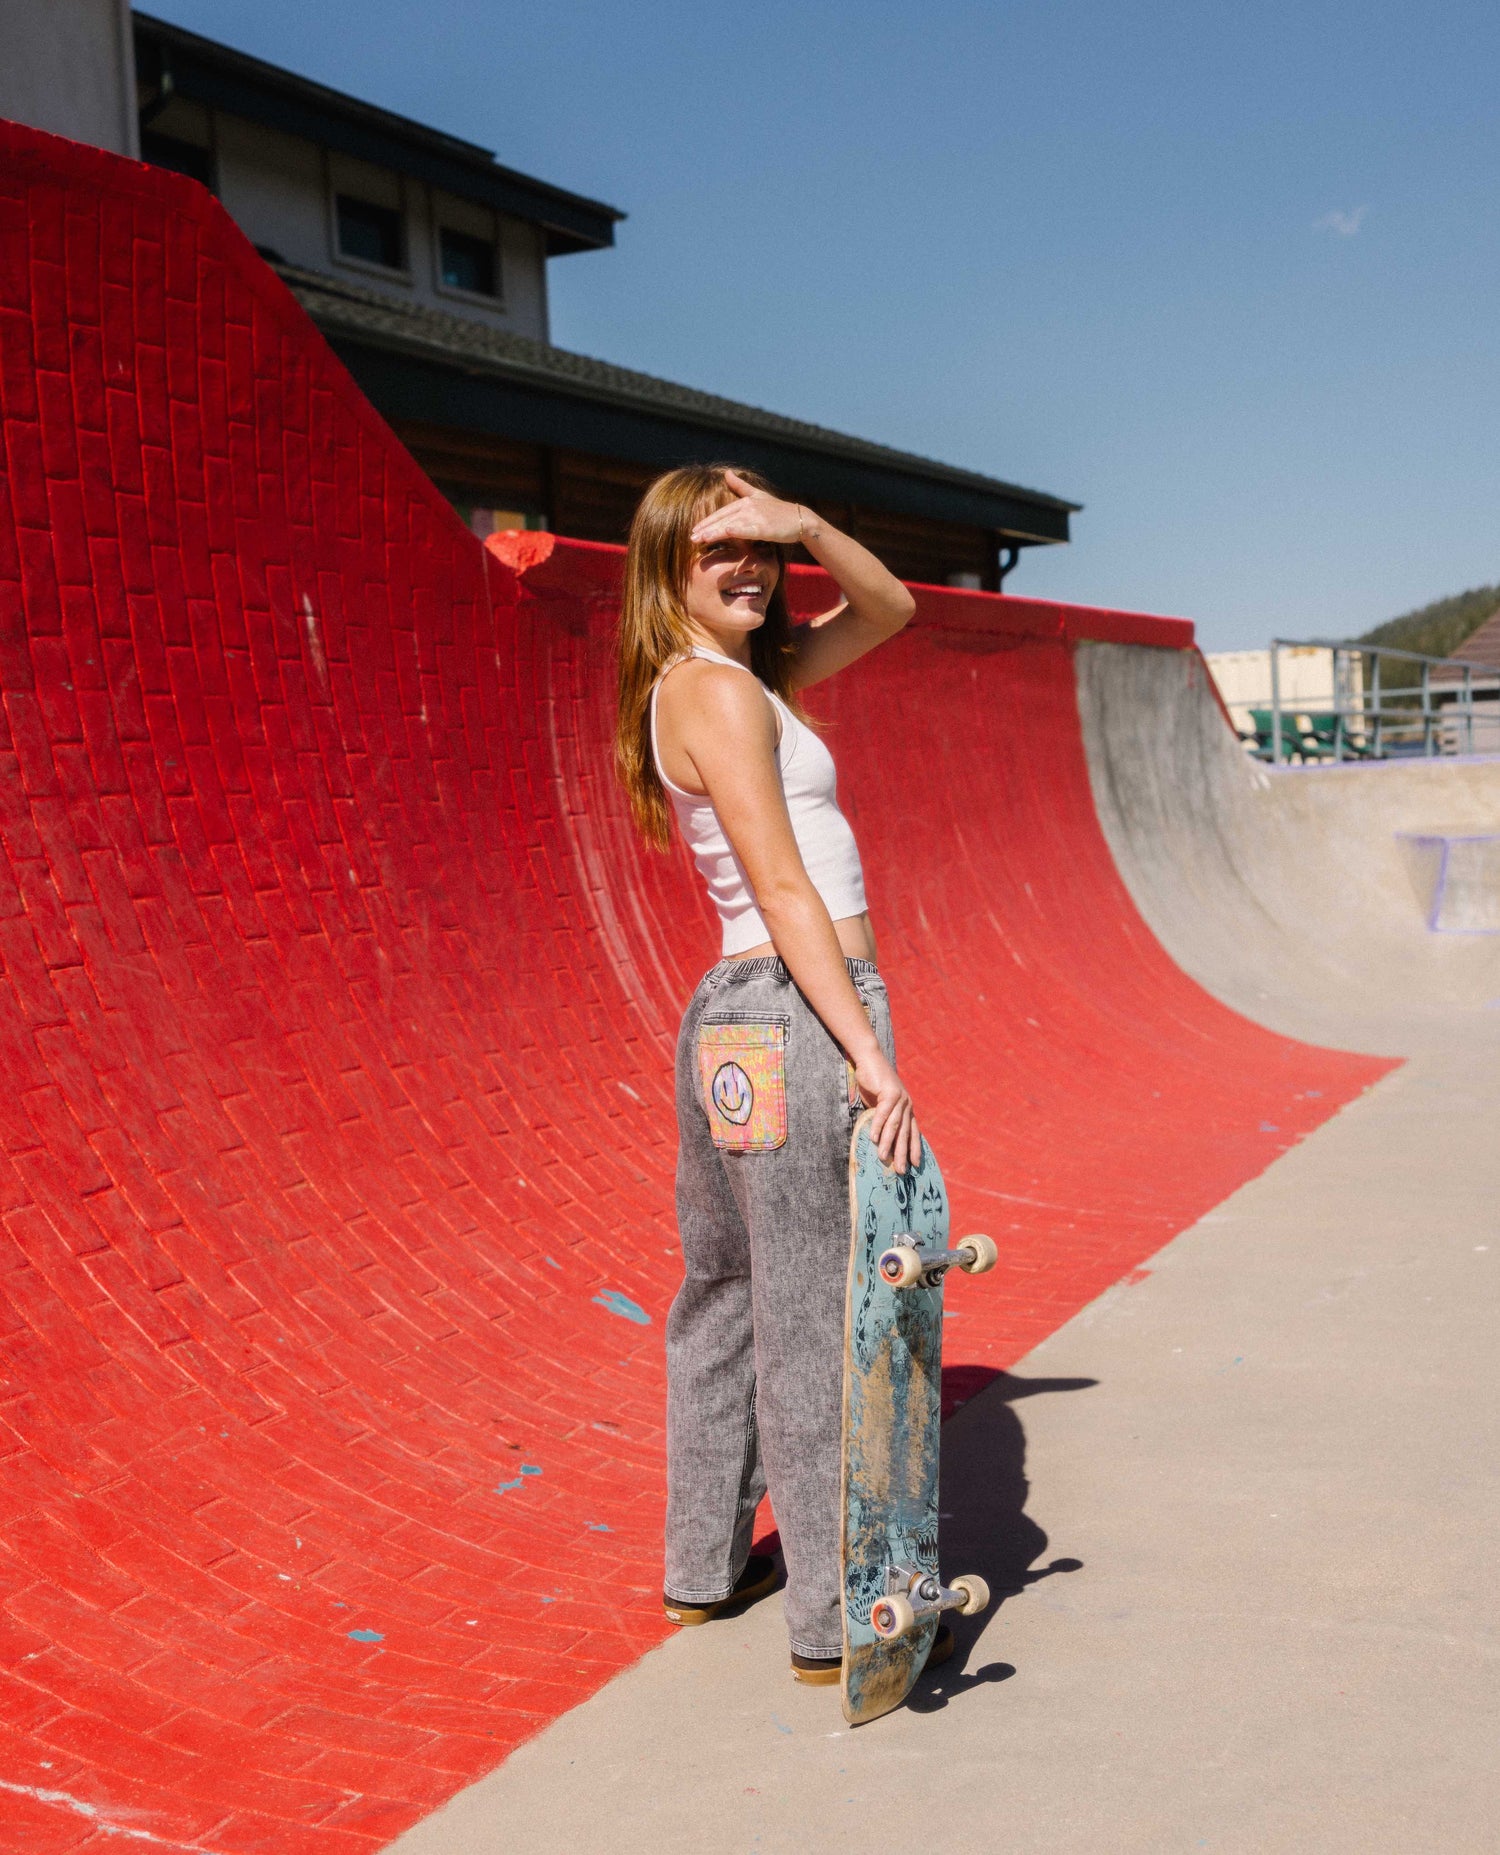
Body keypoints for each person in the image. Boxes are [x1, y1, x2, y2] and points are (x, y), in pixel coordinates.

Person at [615, 463, 949, 1684]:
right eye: (723, 552)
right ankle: (833, 1625)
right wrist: (867, 1051)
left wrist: (806, 521)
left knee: (725, 1294)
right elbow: (784, 882)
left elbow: (892, 608)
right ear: (667, 568)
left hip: (729, 1018)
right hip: (803, 1005)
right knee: (812, 1313)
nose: (752, 569)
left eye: (764, 552)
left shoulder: (725, 680)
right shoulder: (724, 694)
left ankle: (703, 1568)